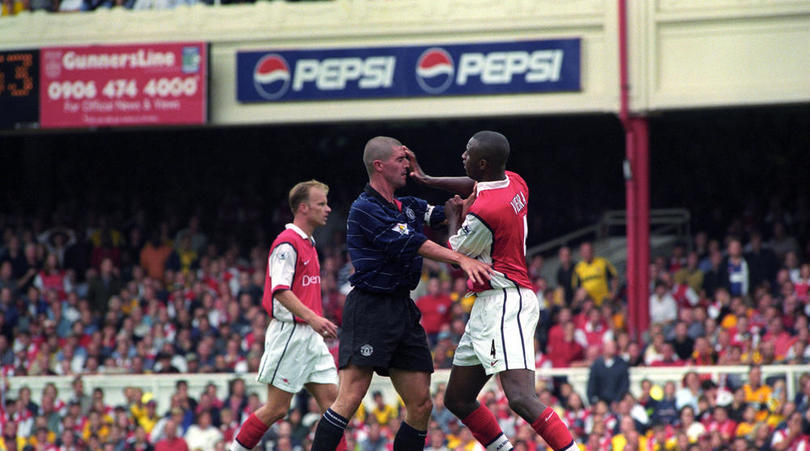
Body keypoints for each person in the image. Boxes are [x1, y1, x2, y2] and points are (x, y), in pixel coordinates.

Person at [310, 137, 491, 451]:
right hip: (369, 307)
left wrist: (450, 192)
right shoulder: (364, 208)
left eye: (408, 158)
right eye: (400, 159)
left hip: (402, 310)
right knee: (350, 397)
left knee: (421, 405)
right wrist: (460, 258)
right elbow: (414, 242)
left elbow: (456, 205)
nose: (407, 164)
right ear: (379, 166)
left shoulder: (408, 206)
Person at [406, 131, 578, 451]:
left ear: (482, 163)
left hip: (504, 300)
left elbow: (457, 255)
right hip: (491, 303)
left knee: (521, 398)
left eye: (468, 153)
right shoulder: (514, 181)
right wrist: (428, 180)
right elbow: (473, 186)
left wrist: (455, 216)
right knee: (458, 398)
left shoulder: (486, 212)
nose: (463, 156)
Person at [230, 180, 345, 451]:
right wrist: (314, 318)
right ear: (303, 208)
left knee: (337, 409)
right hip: (291, 333)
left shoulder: (309, 242)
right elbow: (280, 291)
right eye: (321, 204)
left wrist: (315, 322)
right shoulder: (287, 243)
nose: (328, 209)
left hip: (311, 336)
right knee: (277, 409)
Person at [572, 242, 618, 306]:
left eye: (588, 251)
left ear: (593, 251)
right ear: (581, 254)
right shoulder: (578, 268)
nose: (587, 254)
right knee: (581, 291)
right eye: (584, 252)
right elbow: (576, 288)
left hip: (605, 300)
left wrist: (613, 293)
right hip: (590, 304)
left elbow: (614, 277)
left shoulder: (602, 262)